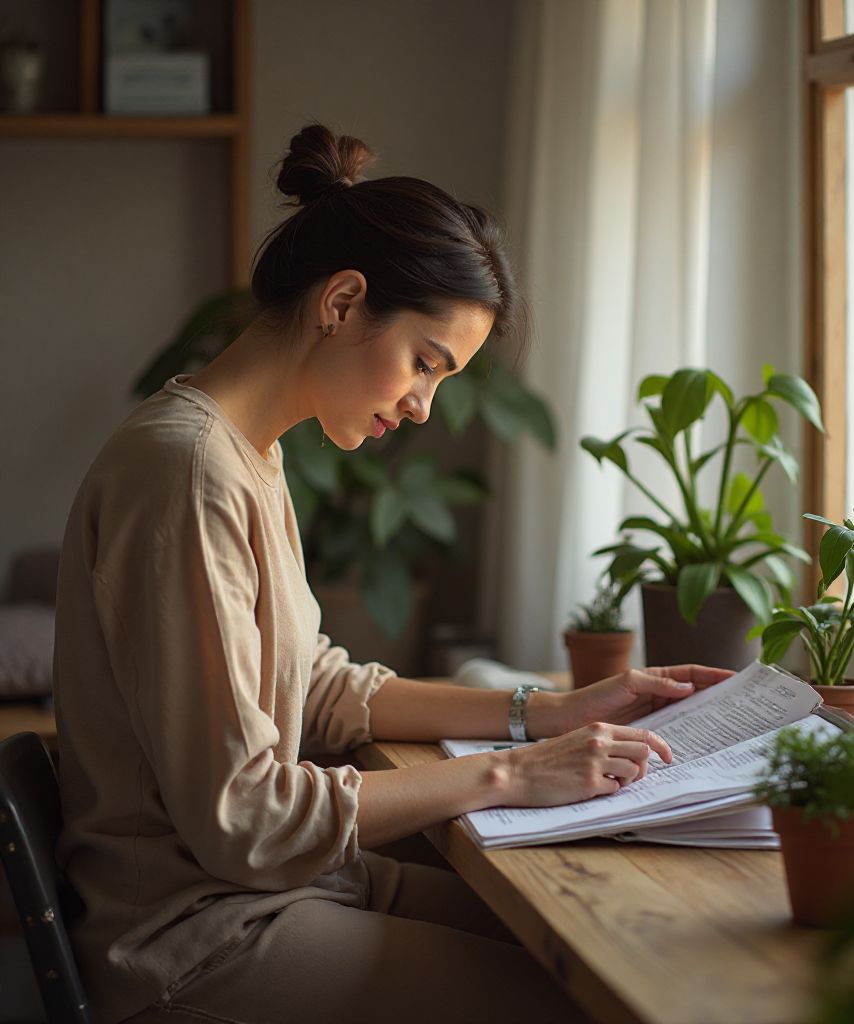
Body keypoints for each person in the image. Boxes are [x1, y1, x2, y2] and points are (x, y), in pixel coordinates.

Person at [53, 124, 730, 1024]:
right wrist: (513, 772)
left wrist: (549, 709)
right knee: (581, 996)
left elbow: (319, 688)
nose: (421, 406)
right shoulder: (186, 470)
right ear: (341, 301)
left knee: (606, 944)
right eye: (424, 363)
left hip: (277, 891)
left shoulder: (247, 454)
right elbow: (244, 817)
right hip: (196, 937)